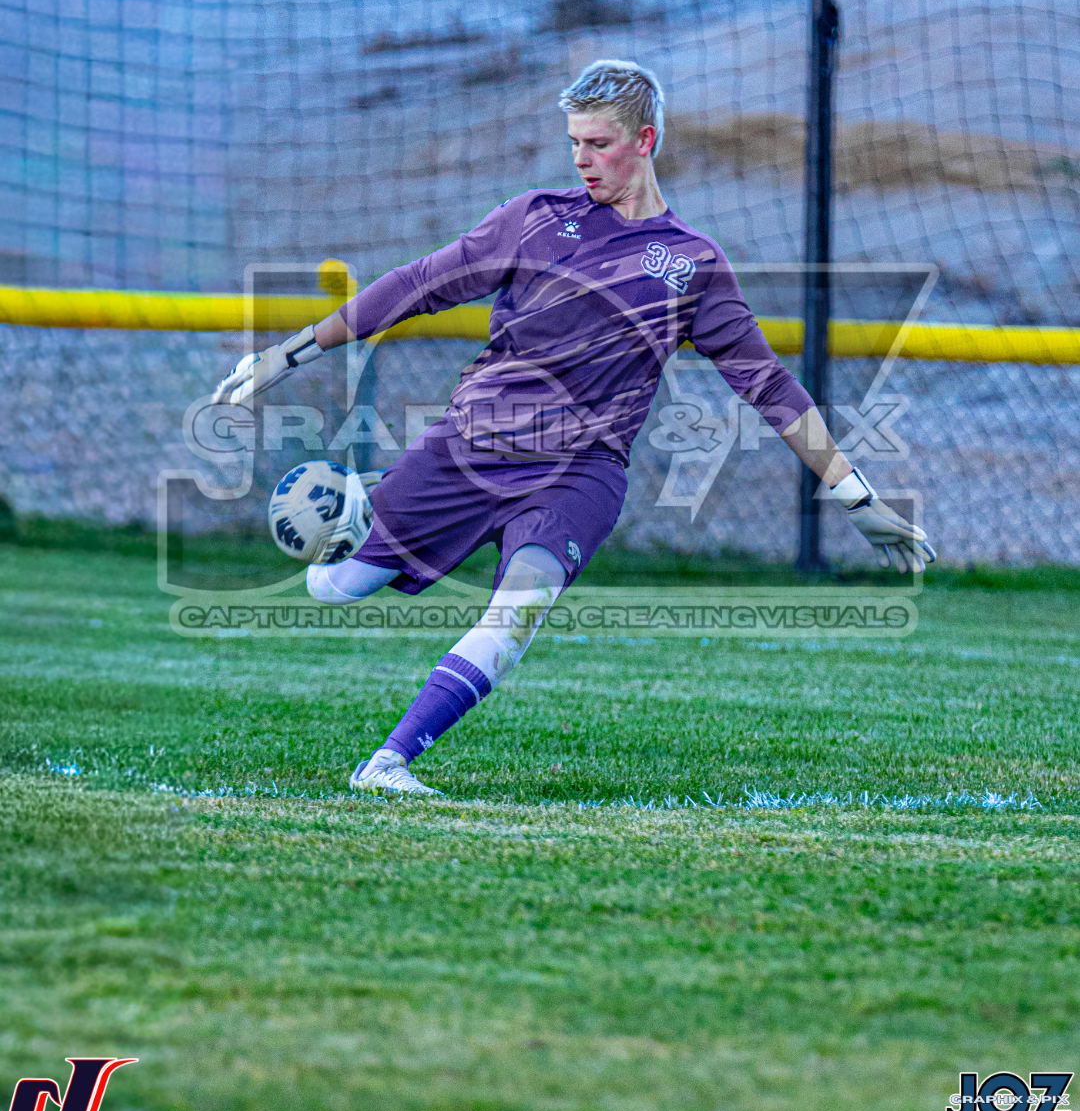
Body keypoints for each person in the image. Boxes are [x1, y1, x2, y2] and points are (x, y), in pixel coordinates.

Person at [212, 60, 935, 796]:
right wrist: (288, 352)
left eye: (598, 143)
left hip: (580, 473)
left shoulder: (693, 264)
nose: (582, 159)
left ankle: (388, 763)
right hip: (472, 445)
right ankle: (367, 498)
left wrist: (857, 498)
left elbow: (768, 385)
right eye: (574, 143)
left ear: (644, 140)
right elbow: (419, 284)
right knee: (337, 588)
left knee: (521, 610)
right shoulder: (532, 218)